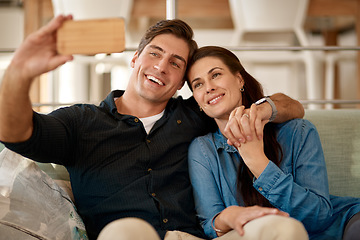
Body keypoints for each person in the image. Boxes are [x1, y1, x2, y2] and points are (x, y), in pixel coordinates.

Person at [0, 15, 305, 240]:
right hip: (127, 235)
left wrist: (262, 110)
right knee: (124, 232)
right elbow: (16, 133)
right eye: (155, 53)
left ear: (182, 82)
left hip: (195, 238)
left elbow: (295, 108)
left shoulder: (196, 114)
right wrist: (18, 77)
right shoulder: (83, 122)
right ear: (135, 59)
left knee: (283, 229)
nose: (161, 66)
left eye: (175, 63)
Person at [186, 46, 360, 240]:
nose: (209, 87)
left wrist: (258, 163)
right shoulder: (203, 150)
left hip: (335, 229)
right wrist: (230, 216)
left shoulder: (297, 132)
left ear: (239, 79)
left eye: (216, 74)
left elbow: (318, 216)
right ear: (197, 100)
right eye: (198, 84)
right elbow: (210, 224)